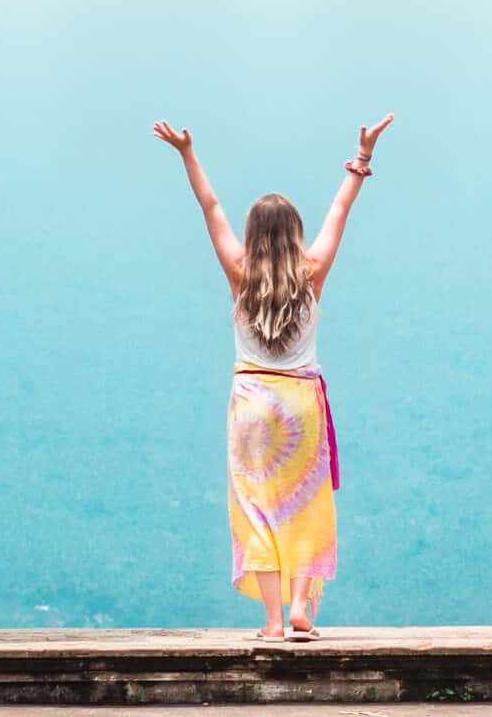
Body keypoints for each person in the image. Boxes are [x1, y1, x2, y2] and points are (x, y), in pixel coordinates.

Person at [151, 113, 394, 641]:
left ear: (254, 236)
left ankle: (272, 622)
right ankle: (303, 605)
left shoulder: (239, 273)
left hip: (252, 402)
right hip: (301, 400)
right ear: (295, 235)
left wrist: (187, 153)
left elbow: (210, 207)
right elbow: (340, 208)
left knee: (257, 508)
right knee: (306, 500)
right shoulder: (313, 272)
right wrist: (363, 156)